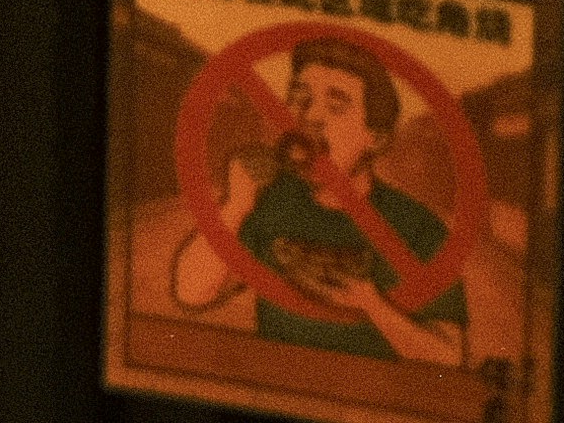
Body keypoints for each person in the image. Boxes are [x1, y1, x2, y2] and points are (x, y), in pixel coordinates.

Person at [169, 39, 462, 365]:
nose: (310, 116)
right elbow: (193, 294)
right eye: (299, 99)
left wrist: (373, 306)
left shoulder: (420, 228)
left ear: (375, 138)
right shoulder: (270, 203)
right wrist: (236, 205)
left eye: (336, 106)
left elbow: (448, 357)